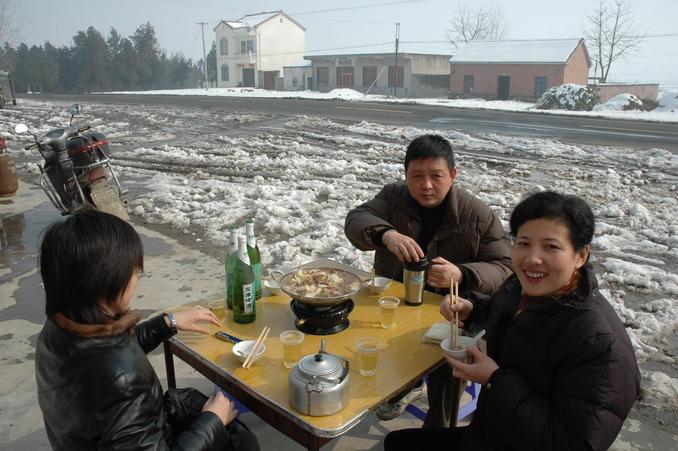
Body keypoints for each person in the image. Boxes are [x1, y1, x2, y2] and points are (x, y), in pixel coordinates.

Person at [384, 191, 641, 451]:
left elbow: (575, 443)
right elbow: (505, 315)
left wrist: (495, 380)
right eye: (523, 243)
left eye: (551, 247)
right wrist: (472, 308)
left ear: (581, 255)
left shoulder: (600, 344)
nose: (531, 259)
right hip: (492, 431)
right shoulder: (521, 288)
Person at [35, 211, 260, 451]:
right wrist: (212, 421)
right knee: (242, 441)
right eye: (133, 272)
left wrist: (167, 322)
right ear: (106, 281)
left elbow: (114, 354)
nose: (135, 280)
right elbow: (116, 370)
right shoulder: (120, 381)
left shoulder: (58, 330)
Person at [345, 134, 512, 423]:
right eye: (417, 176)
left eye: (436, 175)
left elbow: (505, 266)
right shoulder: (393, 197)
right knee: (355, 328)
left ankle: (439, 429)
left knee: (450, 360)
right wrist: (386, 234)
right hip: (396, 301)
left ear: (452, 175)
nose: (426, 185)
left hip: (455, 311)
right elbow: (357, 218)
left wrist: (462, 273)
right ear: (406, 175)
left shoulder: (478, 215)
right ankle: (403, 384)